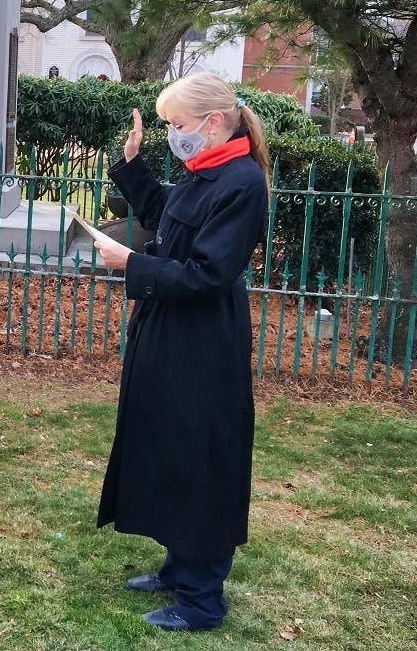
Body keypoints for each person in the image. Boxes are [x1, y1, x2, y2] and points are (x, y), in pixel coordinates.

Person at [92, 72, 271, 632]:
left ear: (213, 123)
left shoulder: (242, 182)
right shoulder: (206, 169)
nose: (173, 134)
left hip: (204, 342)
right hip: (171, 331)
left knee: (200, 456)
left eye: (177, 124)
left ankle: (202, 598)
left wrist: (132, 264)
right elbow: (167, 218)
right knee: (169, 443)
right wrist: (132, 164)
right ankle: (179, 567)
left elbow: (209, 273)